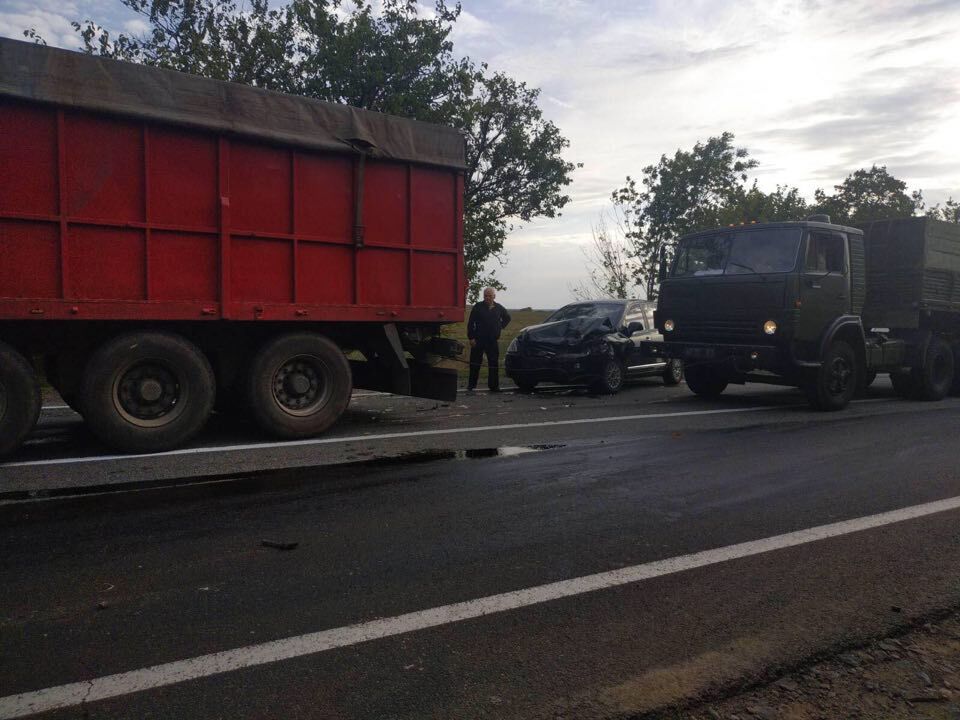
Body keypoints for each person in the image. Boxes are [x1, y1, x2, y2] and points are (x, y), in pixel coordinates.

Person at [467, 287, 511, 392]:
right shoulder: (478, 306)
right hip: (478, 339)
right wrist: (471, 338)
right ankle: (471, 386)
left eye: (489, 296)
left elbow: (507, 318)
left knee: (493, 363)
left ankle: (494, 386)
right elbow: (471, 323)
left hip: (492, 340)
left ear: (494, 296)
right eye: (485, 295)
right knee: (475, 363)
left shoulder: (499, 307)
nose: (487, 297)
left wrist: (500, 326)